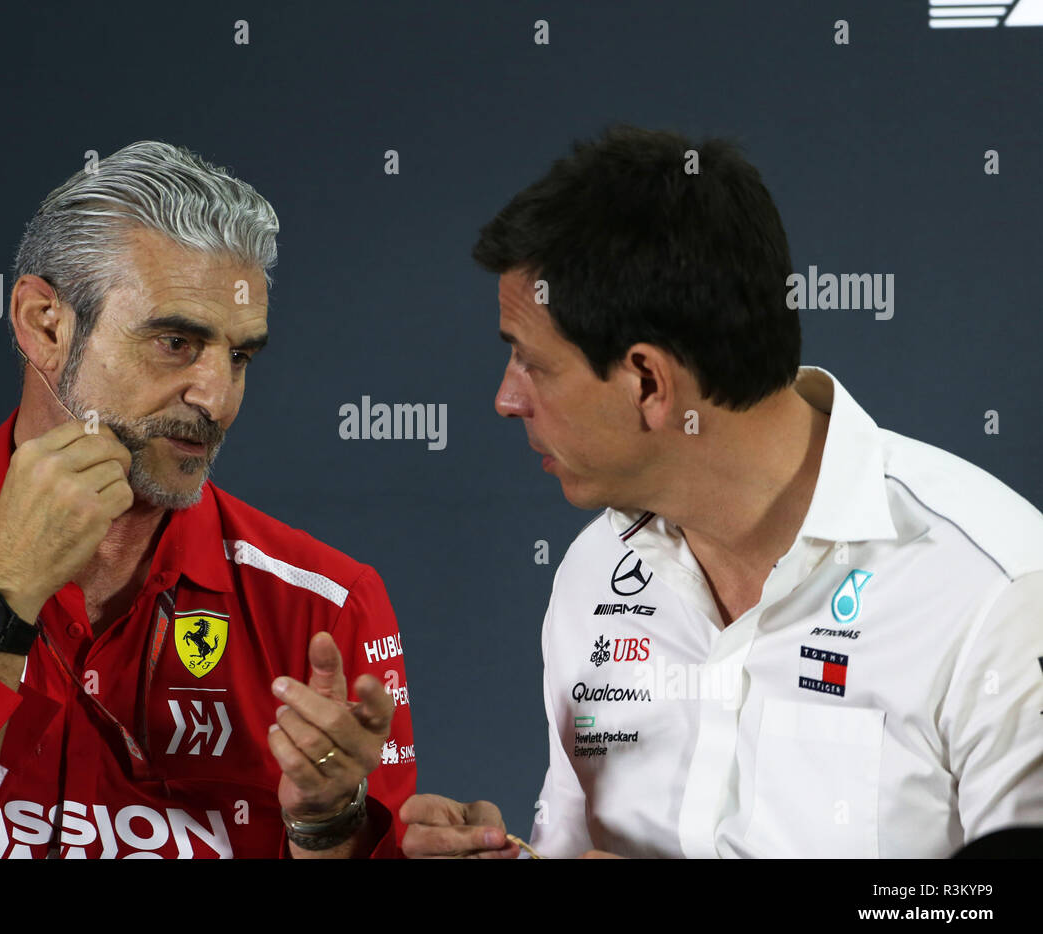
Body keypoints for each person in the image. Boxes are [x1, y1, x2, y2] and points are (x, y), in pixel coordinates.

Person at [0, 141, 416, 858]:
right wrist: (1, 593)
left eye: (240, 356)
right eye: (174, 343)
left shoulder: (327, 603)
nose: (216, 398)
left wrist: (322, 825)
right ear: (45, 325)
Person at [401, 125, 1043, 858]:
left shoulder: (1000, 592)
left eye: (532, 364)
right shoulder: (590, 574)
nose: (505, 399)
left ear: (648, 382)